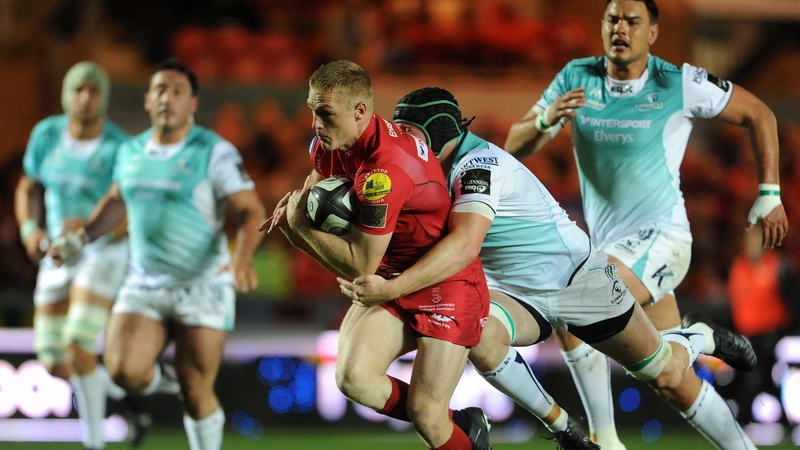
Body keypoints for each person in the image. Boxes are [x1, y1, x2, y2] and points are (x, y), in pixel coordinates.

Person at [338, 86, 757, 450]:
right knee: (477, 333)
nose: (401, 141)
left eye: (408, 131)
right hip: (514, 293)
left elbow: (464, 245)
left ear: (438, 131)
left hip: (578, 282)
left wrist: (392, 289)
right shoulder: (423, 172)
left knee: (664, 374)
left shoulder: (478, 165)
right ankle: (562, 425)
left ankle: (699, 334)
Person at [503, 1, 788, 449]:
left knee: (572, 300)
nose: (621, 28)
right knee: (670, 378)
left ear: (652, 33)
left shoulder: (677, 82)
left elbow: (760, 114)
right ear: (602, 27)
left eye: (633, 21)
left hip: (663, 240)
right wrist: (544, 119)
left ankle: (604, 439)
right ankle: (703, 346)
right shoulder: (577, 76)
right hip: (614, 251)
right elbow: (513, 146)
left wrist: (769, 194)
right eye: (613, 19)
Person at [262, 60, 492, 450]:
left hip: (444, 282)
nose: (316, 124)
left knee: (426, 415)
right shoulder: (329, 145)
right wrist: (299, 215)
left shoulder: (383, 172)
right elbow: (315, 190)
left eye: (325, 114)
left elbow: (360, 264)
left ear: (360, 111)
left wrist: (299, 229)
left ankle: (449, 425)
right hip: (392, 273)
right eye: (313, 111)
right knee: (353, 379)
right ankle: (461, 424)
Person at [48, 59, 266, 450]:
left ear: (192, 104)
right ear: (148, 100)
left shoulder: (213, 151)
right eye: (160, 90)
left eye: (178, 91)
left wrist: (242, 257)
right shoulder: (130, 150)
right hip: (145, 282)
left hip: (202, 283)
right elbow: (116, 200)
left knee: (197, 390)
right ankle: (170, 381)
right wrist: (81, 238)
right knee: (122, 370)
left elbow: (251, 210)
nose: (168, 98)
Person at [14, 61, 155, 449]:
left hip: (103, 253)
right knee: (55, 362)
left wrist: (91, 231)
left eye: (94, 90)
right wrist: (30, 230)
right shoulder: (47, 135)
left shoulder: (120, 147)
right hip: (58, 253)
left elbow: (133, 211)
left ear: (104, 98)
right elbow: (28, 187)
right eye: (78, 89)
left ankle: (94, 442)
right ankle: (126, 401)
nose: (85, 98)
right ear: (66, 94)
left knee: (78, 343)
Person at [727, 223, 796, 425]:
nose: (751, 244)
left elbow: (793, 302)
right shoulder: (739, 267)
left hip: (772, 337)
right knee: (754, 381)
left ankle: (745, 423)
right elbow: (735, 304)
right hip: (747, 337)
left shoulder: (777, 266)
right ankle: (776, 422)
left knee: (760, 380)